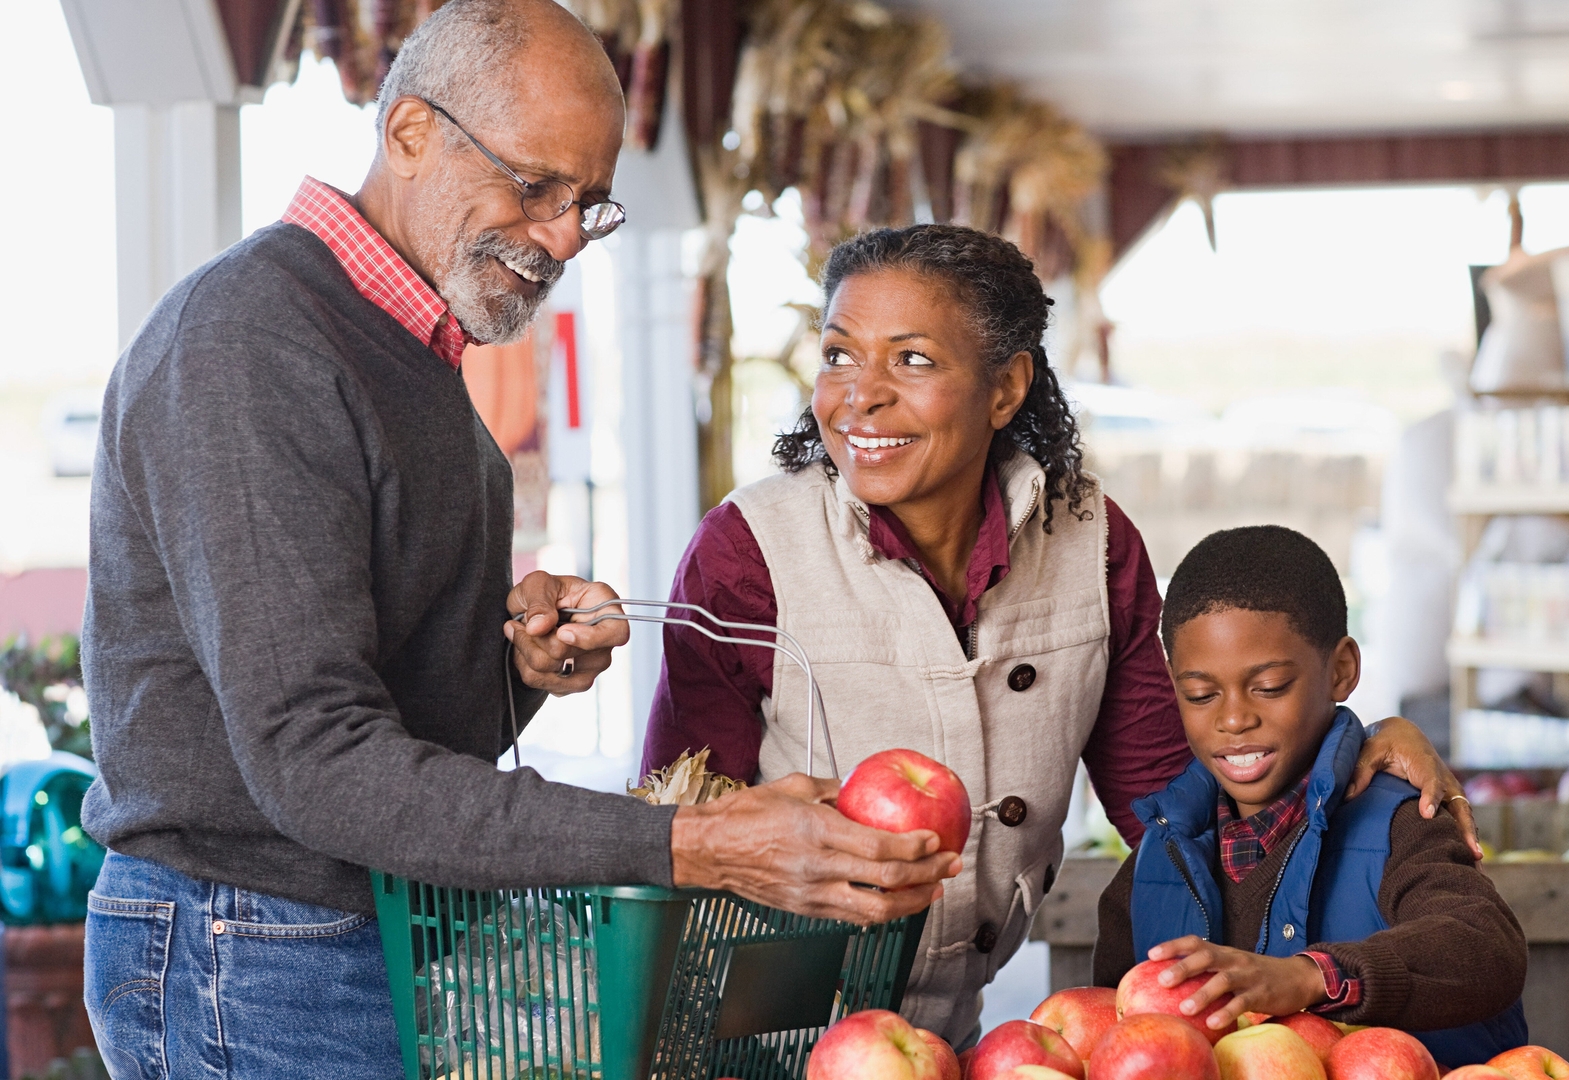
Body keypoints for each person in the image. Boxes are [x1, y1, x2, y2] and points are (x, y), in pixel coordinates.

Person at [78, 4, 953, 1077]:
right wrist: (696, 845)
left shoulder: (411, 345)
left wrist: (514, 670)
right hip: (252, 944)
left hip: (341, 932)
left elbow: (386, 715)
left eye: (589, 205)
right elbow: (315, 760)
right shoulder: (252, 344)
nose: (561, 237)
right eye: (534, 187)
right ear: (408, 133)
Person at [643, 224, 1478, 1047]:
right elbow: (677, 825)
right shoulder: (748, 551)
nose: (859, 394)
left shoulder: (1092, 544)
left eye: (913, 359)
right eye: (837, 355)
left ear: (1006, 389)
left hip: (950, 1042)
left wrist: (1355, 748)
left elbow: (1178, 810)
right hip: (751, 1029)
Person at [1092, 526, 1527, 1067]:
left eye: (1269, 686)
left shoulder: (1400, 822)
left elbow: (1486, 947)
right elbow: (1109, 1041)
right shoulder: (1152, 866)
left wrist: (1310, 977)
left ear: (1341, 670)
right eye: (1200, 694)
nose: (1233, 718)